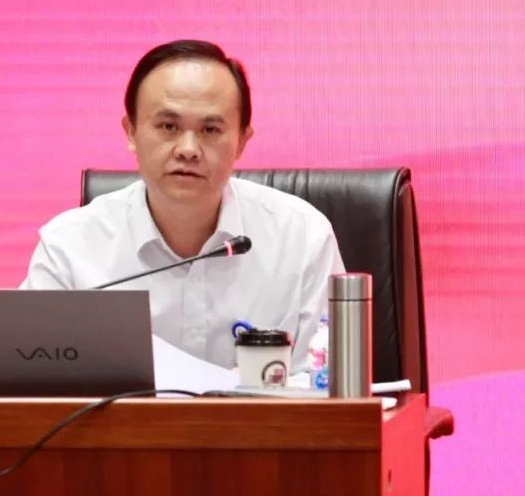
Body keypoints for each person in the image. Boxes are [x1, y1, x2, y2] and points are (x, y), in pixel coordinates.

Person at [20, 40, 344, 372]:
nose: (188, 149)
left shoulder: (302, 238)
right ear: (131, 132)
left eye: (210, 129)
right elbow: (29, 378)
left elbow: (328, 384)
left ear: (242, 141)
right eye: (168, 127)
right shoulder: (70, 247)